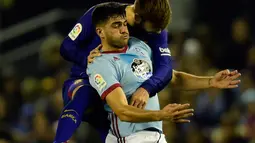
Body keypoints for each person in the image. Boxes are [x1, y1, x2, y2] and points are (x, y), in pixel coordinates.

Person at [55, 0, 173, 142]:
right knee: (84, 95)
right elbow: (67, 46)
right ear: (137, 17)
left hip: (115, 94)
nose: (154, 35)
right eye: (150, 31)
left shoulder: (156, 29)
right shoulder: (101, 14)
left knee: (116, 134)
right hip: (84, 81)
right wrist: (85, 59)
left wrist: (146, 89)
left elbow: (165, 68)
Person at [87, 3, 193, 142]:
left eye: (125, 24)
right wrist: (161, 115)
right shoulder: (101, 63)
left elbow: (174, 78)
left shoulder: (139, 46)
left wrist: (211, 81)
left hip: (157, 136)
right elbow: (122, 111)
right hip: (130, 138)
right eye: (116, 25)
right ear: (100, 32)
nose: (124, 30)